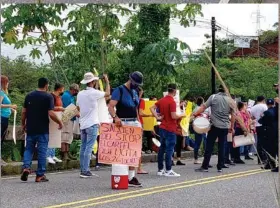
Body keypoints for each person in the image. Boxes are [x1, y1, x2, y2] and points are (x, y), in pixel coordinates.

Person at [21, 78, 63, 182]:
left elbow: (23, 112)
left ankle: (26, 167)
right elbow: (51, 113)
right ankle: (40, 175)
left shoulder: (29, 95)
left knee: (29, 149)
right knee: (42, 151)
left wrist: (23, 124)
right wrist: (59, 122)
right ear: (46, 85)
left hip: (31, 127)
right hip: (43, 128)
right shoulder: (48, 96)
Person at [108, 71, 144, 187]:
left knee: (134, 150)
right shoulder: (119, 90)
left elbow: (136, 108)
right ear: (130, 80)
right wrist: (115, 117)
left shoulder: (135, 91)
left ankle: (131, 176)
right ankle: (123, 175)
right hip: (123, 122)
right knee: (124, 150)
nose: (136, 85)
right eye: (135, 83)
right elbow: (111, 106)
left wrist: (139, 122)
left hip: (134, 122)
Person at [194, 85, 236, 173]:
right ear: (226, 91)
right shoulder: (231, 101)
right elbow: (233, 116)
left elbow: (203, 108)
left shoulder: (213, 97)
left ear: (218, 90)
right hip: (224, 126)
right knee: (222, 146)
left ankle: (205, 166)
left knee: (209, 146)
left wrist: (195, 114)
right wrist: (231, 126)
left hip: (214, 125)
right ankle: (220, 166)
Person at [77, 72, 110, 178]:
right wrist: (107, 81)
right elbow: (108, 93)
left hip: (83, 123)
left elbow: (78, 107)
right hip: (92, 123)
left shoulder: (80, 93)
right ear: (92, 82)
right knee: (89, 147)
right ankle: (85, 170)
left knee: (83, 147)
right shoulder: (94, 93)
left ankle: (83, 168)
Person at [150, 83, 185, 177]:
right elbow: (174, 116)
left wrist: (157, 116)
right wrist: (182, 115)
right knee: (170, 149)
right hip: (171, 128)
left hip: (162, 127)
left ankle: (160, 169)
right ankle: (168, 169)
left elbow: (151, 108)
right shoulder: (172, 102)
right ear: (174, 91)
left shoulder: (161, 100)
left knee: (162, 148)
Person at [0, 75, 17, 166]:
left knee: (2, 138)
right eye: (7, 82)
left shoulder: (4, 93)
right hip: (1, 118)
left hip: (5, 117)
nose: (8, 84)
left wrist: (11, 110)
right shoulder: (1, 93)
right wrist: (11, 106)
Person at [46, 83, 65, 164]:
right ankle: (48, 155)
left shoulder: (59, 97)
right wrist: (59, 108)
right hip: (52, 117)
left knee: (56, 137)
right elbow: (50, 107)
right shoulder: (51, 96)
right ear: (60, 89)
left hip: (58, 116)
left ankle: (52, 154)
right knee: (51, 136)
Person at [61, 83, 80, 161]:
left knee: (69, 136)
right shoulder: (66, 96)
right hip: (66, 118)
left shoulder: (71, 96)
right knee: (64, 136)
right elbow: (67, 108)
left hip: (71, 118)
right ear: (72, 90)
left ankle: (67, 152)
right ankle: (64, 153)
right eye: (76, 91)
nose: (76, 92)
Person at [250, 96, 268, 164]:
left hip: (257, 126)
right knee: (265, 142)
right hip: (263, 125)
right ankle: (265, 157)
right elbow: (266, 115)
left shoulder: (253, 107)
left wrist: (256, 119)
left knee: (259, 142)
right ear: (263, 100)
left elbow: (252, 117)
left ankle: (259, 158)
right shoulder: (264, 106)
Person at [192, 97, 209, 164]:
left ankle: (195, 158)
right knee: (204, 142)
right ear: (202, 102)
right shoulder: (201, 109)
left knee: (197, 143)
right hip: (202, 127)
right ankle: (204, 158)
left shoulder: (195, 108)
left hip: (196, 127)